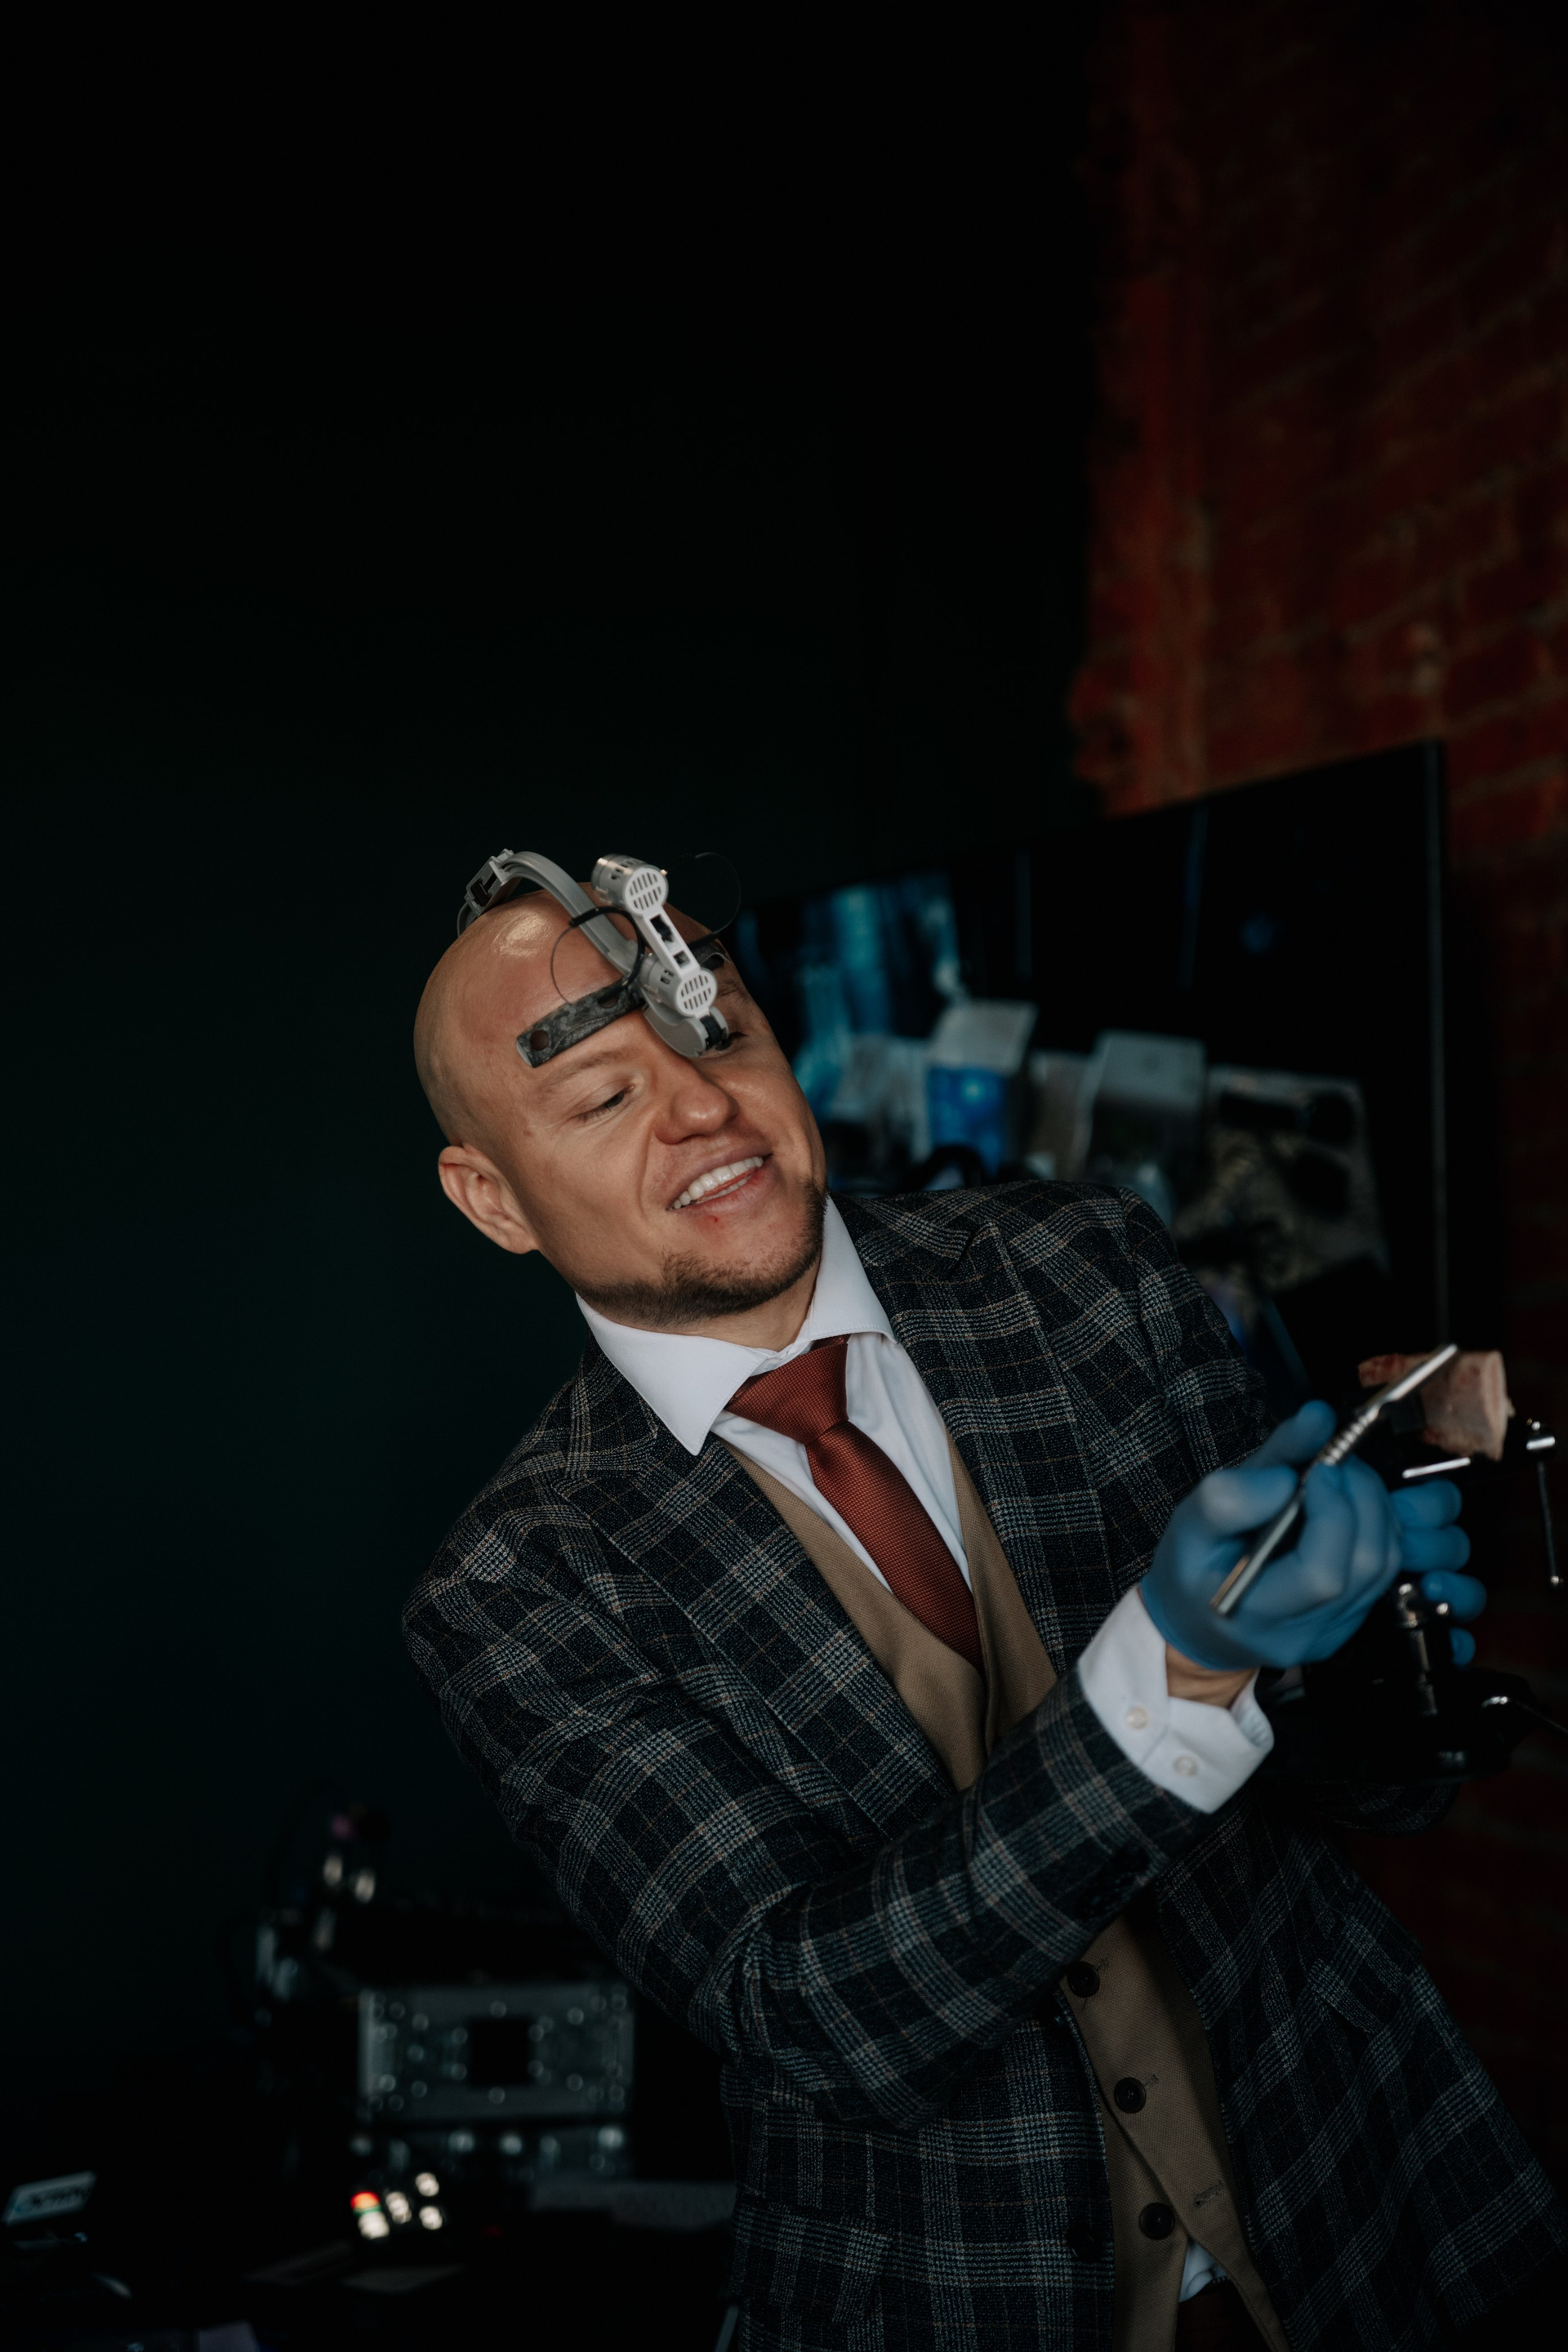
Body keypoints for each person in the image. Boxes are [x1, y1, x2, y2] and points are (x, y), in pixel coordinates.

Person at [403, 880, 1565, 2350]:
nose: (702, 1108)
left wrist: (1370, 1656)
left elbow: (1354, 1790)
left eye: (721, 1035)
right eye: (602, 1095)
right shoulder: (518, 1587)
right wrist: (1175, 1668)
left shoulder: (1080, 1263)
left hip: (1376, 2219)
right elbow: (812, 2014)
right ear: (491, 1199)